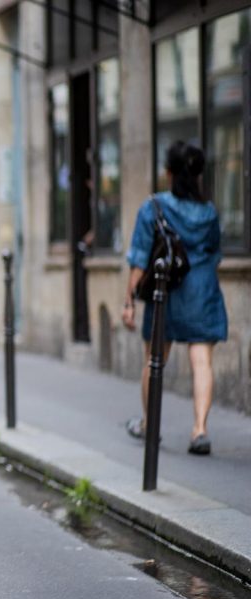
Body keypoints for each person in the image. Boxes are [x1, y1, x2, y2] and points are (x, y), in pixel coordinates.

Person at [122, 141, 227, 455]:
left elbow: (140, 259)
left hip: (165, 292)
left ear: (168, 173)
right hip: (203, 291)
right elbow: (216, 254)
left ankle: (148, 425)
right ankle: (199, 430)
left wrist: (128, 302)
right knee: (202, 362)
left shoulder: (153, 207)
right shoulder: (209, 212)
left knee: (154, 361)